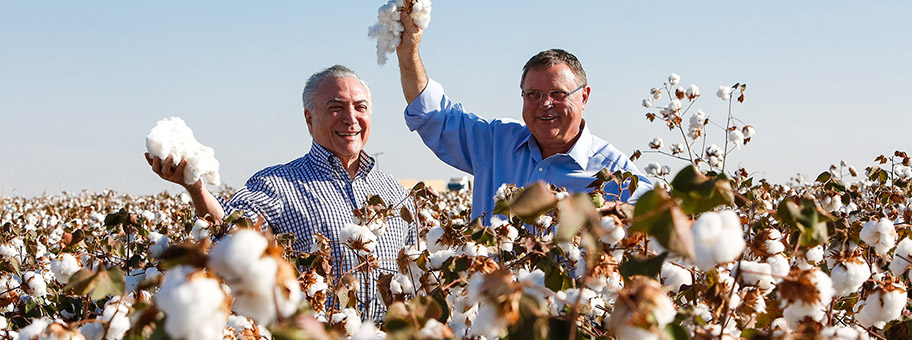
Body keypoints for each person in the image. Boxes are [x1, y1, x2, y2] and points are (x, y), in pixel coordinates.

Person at [146, 65, 415, 322]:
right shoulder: (276, 185)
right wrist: (196, 187)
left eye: (360, 107)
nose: (351, 118)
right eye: (336, 107)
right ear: (310, 119)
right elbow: (227, 237)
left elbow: (415, 276)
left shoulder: (394, 192)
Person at [395, 13, 651, 223]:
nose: (545, 104)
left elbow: (652, 227)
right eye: (533, 94)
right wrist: (409, 52)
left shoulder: (616, 174)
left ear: (584, 97)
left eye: (558, 93)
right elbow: (433, 114)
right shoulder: (496, 143)